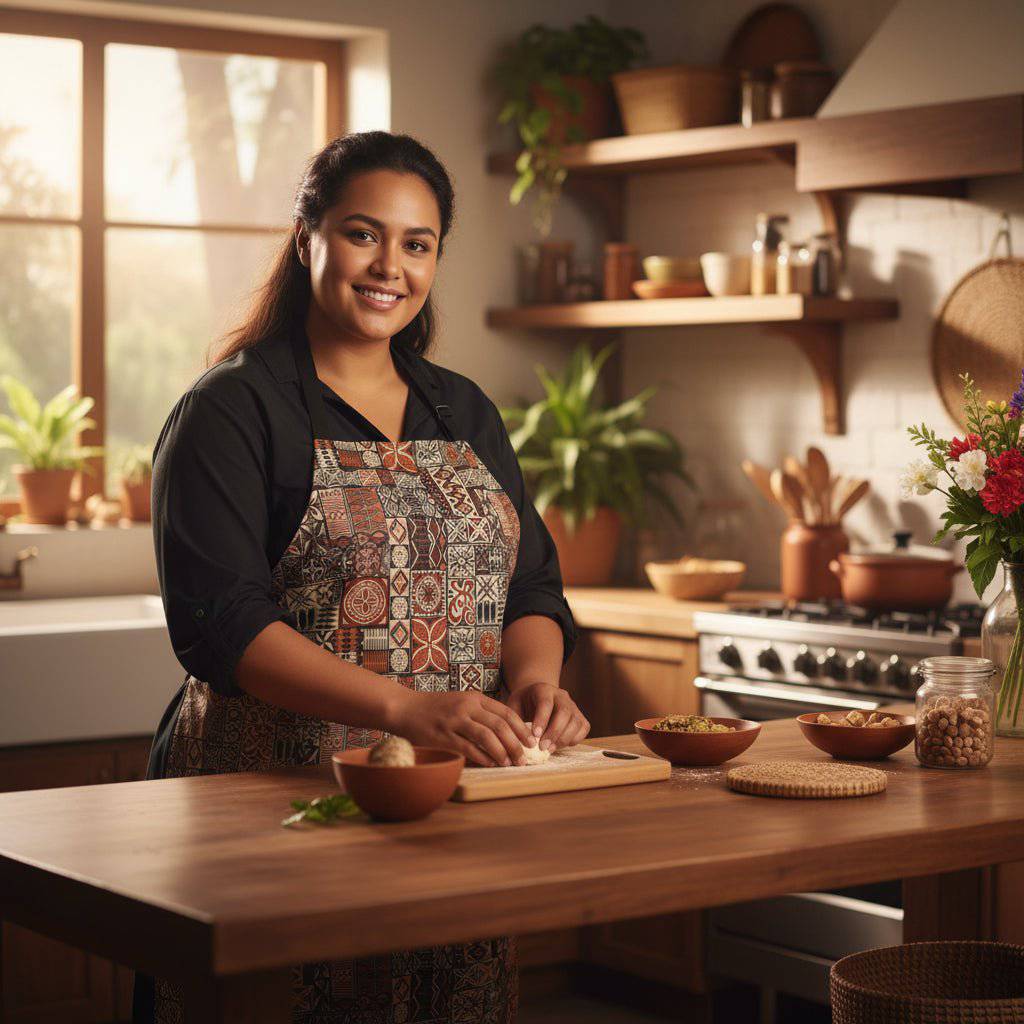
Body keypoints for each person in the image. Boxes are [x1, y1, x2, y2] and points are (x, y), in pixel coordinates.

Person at [131, 130, 585, 1024]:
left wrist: (537, 686)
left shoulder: (465, 410)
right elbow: (223, 625)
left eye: (417, 244)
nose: (390, 267)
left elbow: (529, 586)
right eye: (362, 233)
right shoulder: (232, 408)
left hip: (449, 802)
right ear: (308, 237)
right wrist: (408, 707)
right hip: (275, 804)